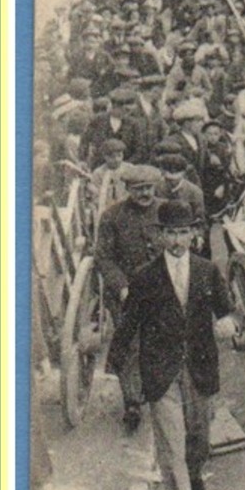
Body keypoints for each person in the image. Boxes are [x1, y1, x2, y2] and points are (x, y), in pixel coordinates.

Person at [105, 200, 237, 490]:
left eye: (184, 232)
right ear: (160, 236)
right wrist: (113, 362)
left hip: (199, 368)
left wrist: (227, 322)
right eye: (170, 233)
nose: (177, 240)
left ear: (194, 233)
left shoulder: (207, 271)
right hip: (160, 371)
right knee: (170, 447)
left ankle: (195, 476)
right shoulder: (145, 277)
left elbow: (225, 309)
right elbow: (129, 322)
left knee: (198, 438)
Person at [94, 163, 166, 433]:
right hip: (127, 293)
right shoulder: (112, 217)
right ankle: (133, 402)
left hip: (163, 288)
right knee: (132, 343)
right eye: (138, 189)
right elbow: (103, 257)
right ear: (127, 190)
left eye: (148, 188)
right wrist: (122, 287)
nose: (145, 193)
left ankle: (165, 393)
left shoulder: (166, 210)